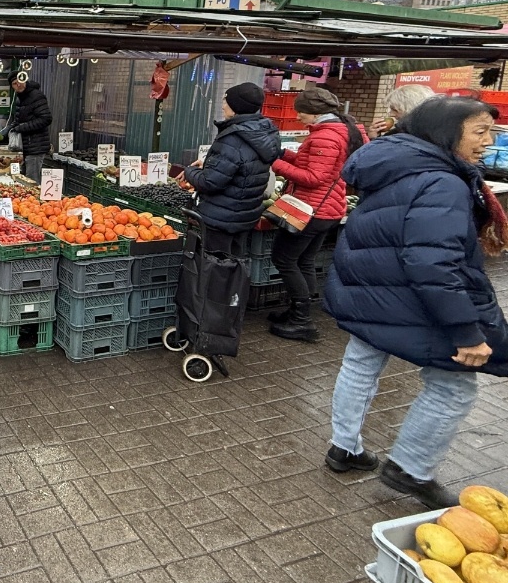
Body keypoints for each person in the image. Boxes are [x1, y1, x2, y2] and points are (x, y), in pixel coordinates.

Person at [323, 97, 507, 509]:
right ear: (445, 131)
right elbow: (433, 261)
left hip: (372, 285)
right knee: (453, 384)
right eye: (479, 131)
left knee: (360, 363)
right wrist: (465, 331)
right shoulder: (442, 181)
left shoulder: (395, 162)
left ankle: (344, 448)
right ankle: (411, 467)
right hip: (411, 295)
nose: (488, 142)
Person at [267, 88, 367, 342]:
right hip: (328, 209)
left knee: (284, 259)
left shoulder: (328, 136)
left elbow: (314, 177)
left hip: (312, 210)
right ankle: (296, 312)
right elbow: (312, 164)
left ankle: (302, 321)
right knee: (305, 261)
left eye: (300, 110)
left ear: (315, 112)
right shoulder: (340, 130)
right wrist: (282, 154)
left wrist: (274, 164)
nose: (298, 115)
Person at [182, 82, 281, 256]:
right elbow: (242, 165)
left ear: (236, 106)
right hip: (244, 215)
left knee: (215, 268)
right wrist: (209, 164)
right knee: (234, 265)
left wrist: (189, 172)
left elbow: (210, 182)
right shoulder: (262, 134)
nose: (222, 105)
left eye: (225, 100)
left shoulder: (233, 137)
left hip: (221, 218)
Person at [9, 77, 53, 182]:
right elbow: (18, 120)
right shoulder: (20, 98)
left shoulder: (36, 96)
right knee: (24, 181)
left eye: (19, 81)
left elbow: (46, 119)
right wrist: (9, 131)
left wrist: (21, 128)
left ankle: (35, 199)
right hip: (27, 147)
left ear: (25, 80)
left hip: (36, 147)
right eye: (14, 83)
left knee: (32, 182)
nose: (18, 85)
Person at [370, 84, 435, 138]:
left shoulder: (432, 136)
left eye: (395, 110)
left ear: (411, 108)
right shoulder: (399, 131)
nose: (391, 114)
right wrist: (375, 138)